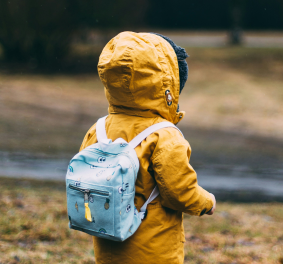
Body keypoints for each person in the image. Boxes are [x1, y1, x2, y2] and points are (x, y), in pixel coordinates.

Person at [79, 31, 216, 264]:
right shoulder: (164, 136)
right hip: (154, 251)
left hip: (108, 245)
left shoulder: (99, 129)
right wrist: (207, 202)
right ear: (166, 83)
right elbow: (179, 192)